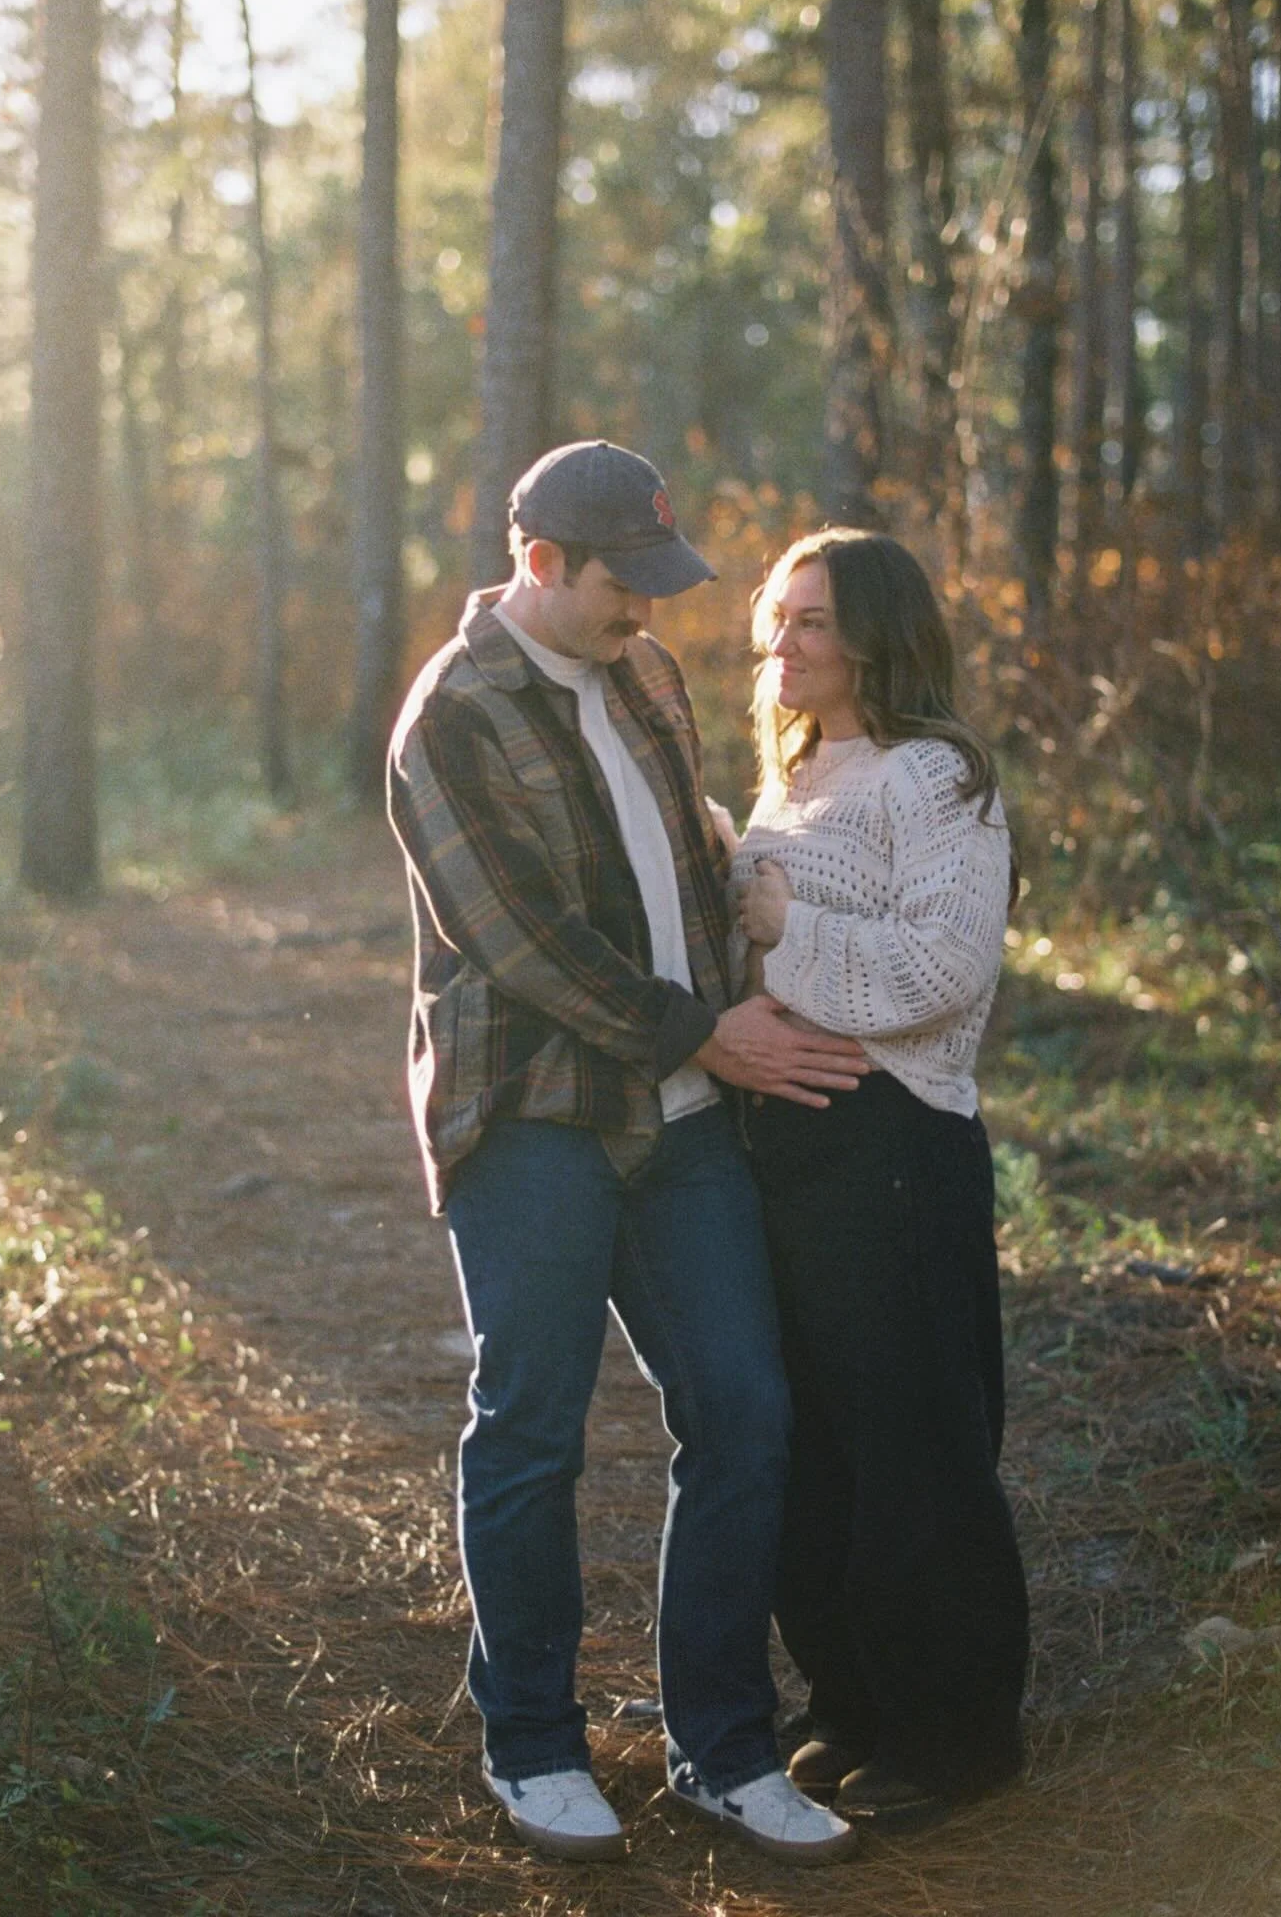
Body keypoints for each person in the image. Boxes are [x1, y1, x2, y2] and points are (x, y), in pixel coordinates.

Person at [386, 442, 866, 1865]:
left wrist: (753, 949)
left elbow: (686, 865)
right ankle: (534, 1745)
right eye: (621, 584)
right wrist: (707, 1033)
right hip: (536, 1117)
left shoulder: (646, 675)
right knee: (532, 1430)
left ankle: (723, 1748)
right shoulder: (450, 717)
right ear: (540, 563)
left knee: (745, 1409)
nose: (645, 612)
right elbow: (525, 944)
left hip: (687, 1121)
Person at [732, 528, 1030, 1827]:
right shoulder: (797, 772)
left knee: (916, 1446)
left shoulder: (935, 775)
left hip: (897, 1149)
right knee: (817, 1447)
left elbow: (942, 968)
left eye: (811, 620)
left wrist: (784, 925)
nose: (781, 642)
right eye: (777, 617)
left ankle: (955, 1736)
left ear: (876, 636)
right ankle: (854, 1703)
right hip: (790, 1152)